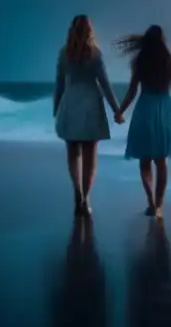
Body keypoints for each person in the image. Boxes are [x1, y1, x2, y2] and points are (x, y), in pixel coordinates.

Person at [113, 25, 171, 218]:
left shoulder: (140, 62)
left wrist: (120, 111)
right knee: (161, 160)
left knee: (145, 160)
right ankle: (159, 205)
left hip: (145, 108)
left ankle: (151, 202)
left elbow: (132, 91)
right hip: (165, 109)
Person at [53, 14, 122, 217]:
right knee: (90, 155)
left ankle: (77, 193)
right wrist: (116, 109)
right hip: (91, 104)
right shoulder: (95, 54)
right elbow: (105, 84)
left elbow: (59, 84)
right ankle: (86, 198)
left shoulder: (64, 54)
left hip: (70, 102)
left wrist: (56, 108)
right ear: (90, 31)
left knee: (73, 152)